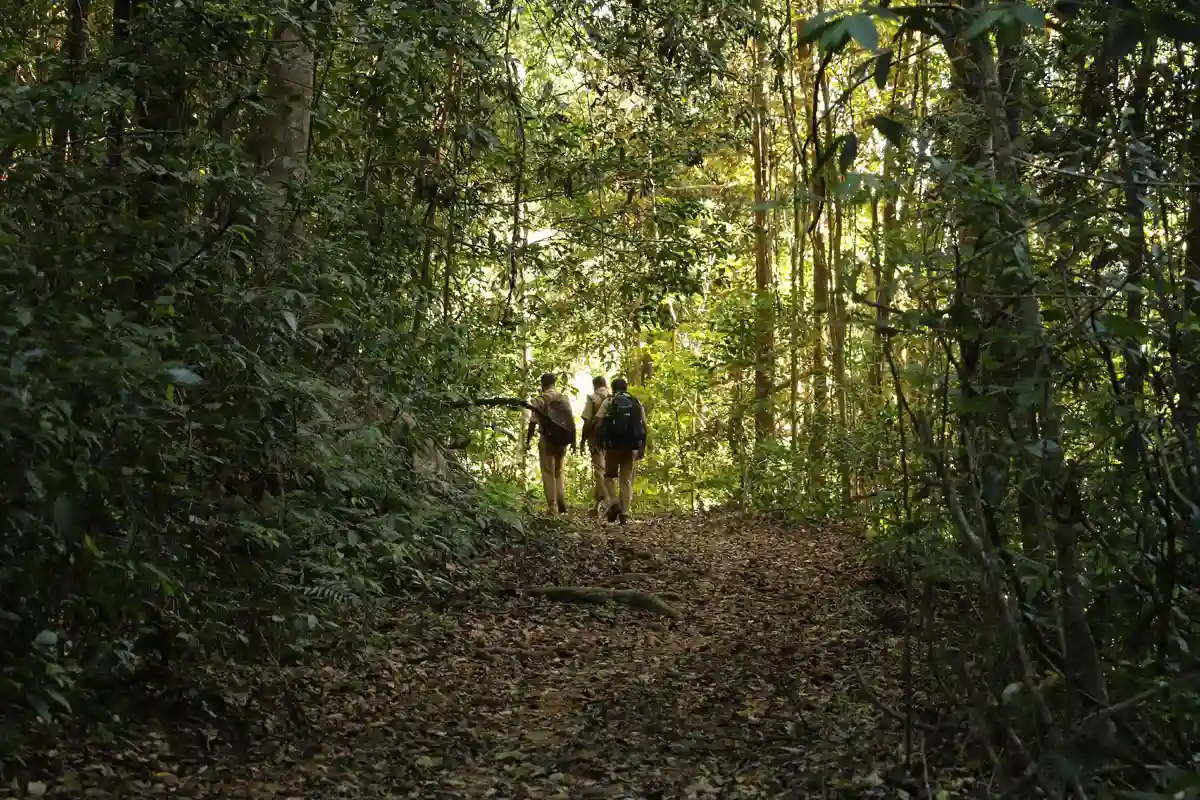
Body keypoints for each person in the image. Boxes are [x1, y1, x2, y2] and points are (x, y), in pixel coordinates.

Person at [593, 377, 647, 525]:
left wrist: (598, 442)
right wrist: (642, 447)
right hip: (630, 446)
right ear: (626, 388)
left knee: (609, 476)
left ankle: (615, 501)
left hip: (612, 446)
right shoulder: (636, 402)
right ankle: (625, 513)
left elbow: (598, 422)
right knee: (626, 479)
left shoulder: (609, 402)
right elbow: (644, 426)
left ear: (613, 388)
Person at [524, 372, 576, 514]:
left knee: (548, 472)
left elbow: (533, 422)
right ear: (554, 383)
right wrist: (573, 441)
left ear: (542, 385)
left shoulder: (540, 400)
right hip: (562, 440)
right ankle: (561, 501)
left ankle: (552, 506)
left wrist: (527, 441)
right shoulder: (564, 398)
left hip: (547, 439)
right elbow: (571, 420)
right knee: (558, 471)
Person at [579, 375, 612, 517]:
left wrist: (582, 439)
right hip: (612, 440)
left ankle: (608, 503)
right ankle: (598, 506)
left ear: (595, 385)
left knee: (599, 472)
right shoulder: (613, 398)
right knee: (608, 472)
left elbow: (587, 421)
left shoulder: (593, 398)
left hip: (596, 439)